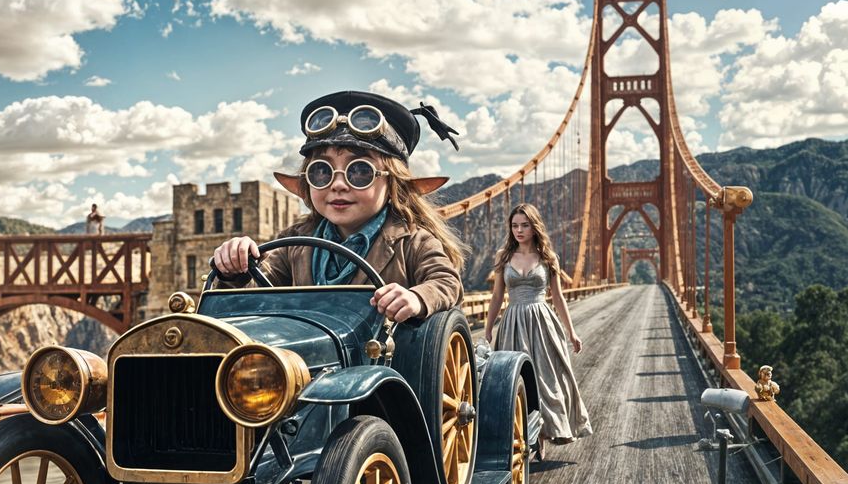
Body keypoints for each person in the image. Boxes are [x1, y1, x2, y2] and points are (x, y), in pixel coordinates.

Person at [210, 90, 465, 321]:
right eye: (322, 171)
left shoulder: (413, 241)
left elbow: (446, 281)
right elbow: (255, 298)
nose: (338, 184)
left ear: (392, 184)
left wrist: (417, 298)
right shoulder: (295, 242)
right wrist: (236, 268)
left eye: (360, 172)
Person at [484, 203, 591, 443]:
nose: (519, 230)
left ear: (534, 227)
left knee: (547, 377)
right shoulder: (503, 257)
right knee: (514, 378)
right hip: (512, 322)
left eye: (524, 225)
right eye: (514, 226)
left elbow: (559, 297)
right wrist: (489, 328)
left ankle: (548, 429)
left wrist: (572, 333)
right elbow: (497, 296)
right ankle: (521, 433)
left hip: (542, 322)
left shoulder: (548, 257)